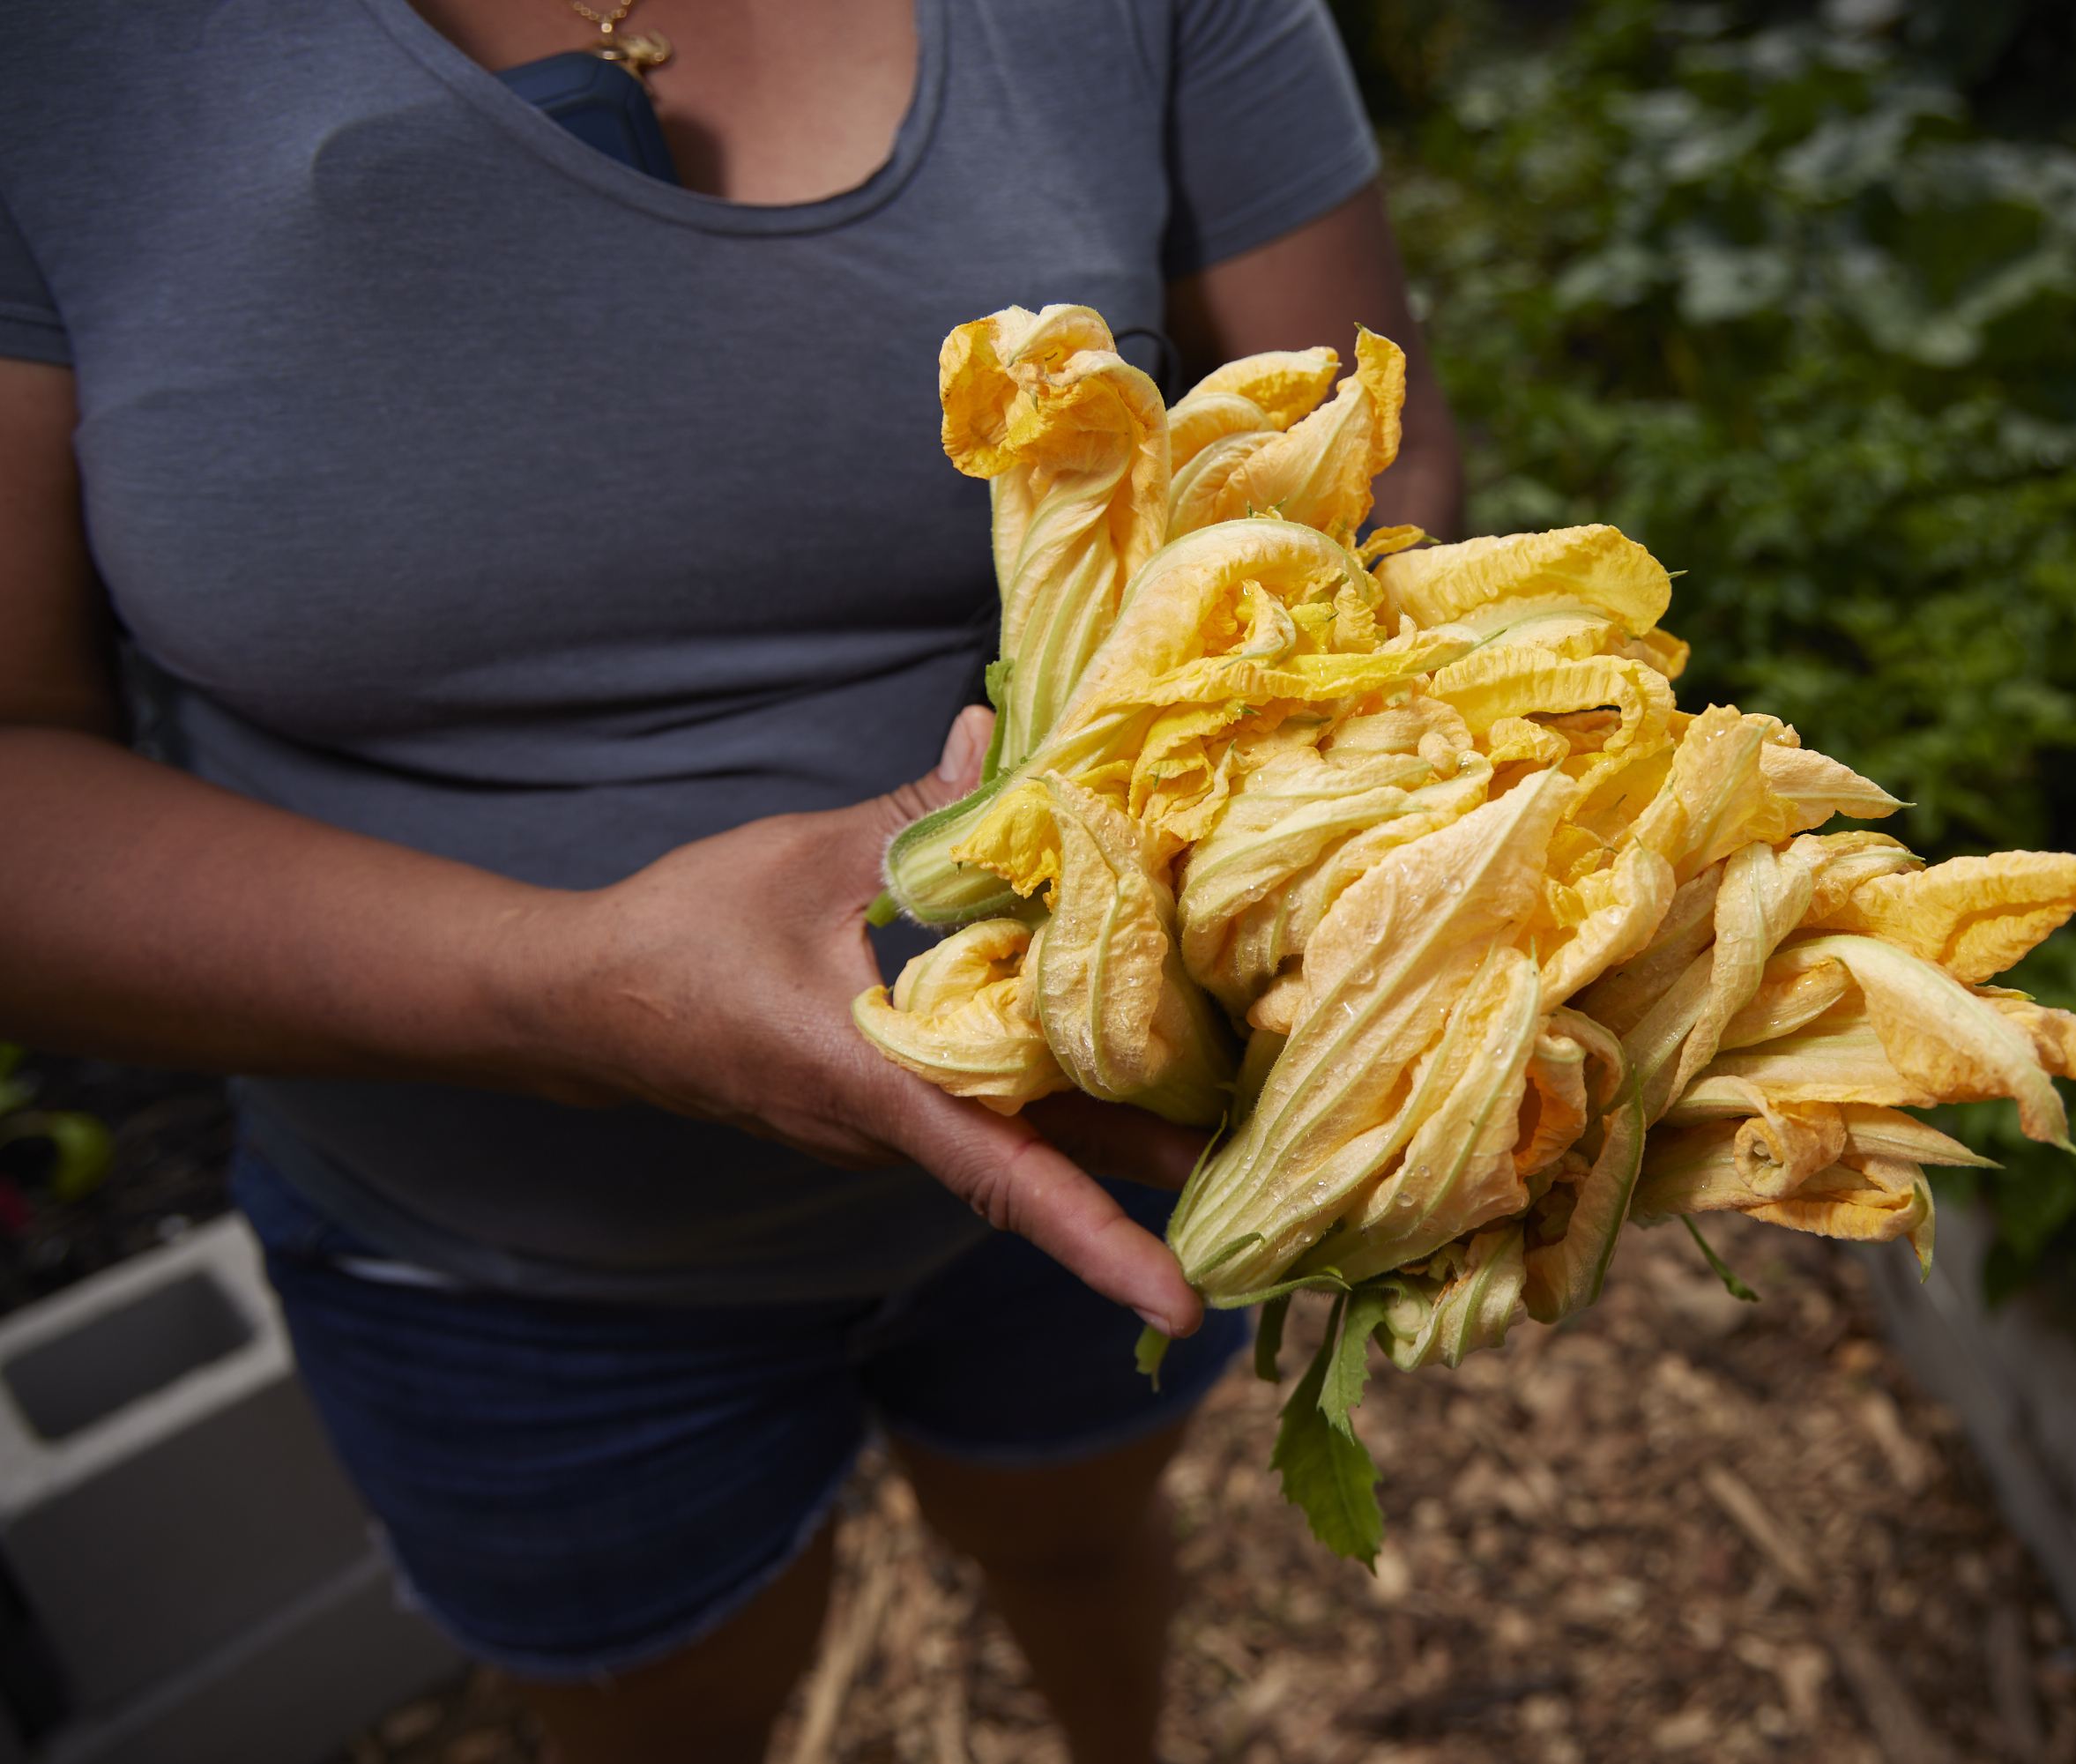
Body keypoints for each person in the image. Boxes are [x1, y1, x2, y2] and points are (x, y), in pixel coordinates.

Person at [0, 1, 1462, 1760]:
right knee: (672, 1711)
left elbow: (1382, 477)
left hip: (1114, 1105)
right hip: (504, 1266)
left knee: (1081, 1535)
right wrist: (567, 989)